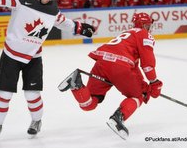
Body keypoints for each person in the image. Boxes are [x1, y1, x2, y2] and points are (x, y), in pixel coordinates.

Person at [0, 0, 95, 141]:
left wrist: (81, 28)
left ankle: (36, 121)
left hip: (34, 58)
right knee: (4, 94)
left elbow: (63, 22)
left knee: (32, 95)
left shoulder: (52, 9)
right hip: (11, 57)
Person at [58, 12, 163, 140]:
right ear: (144, 25)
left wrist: (143, 85)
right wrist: (154, 83)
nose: (149, 28)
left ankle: (76, 85)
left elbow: (133, 68)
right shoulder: (144, 34)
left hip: (102, 62)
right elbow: (147, 64)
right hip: (120, 65)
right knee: (138, 96)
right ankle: (118, 118)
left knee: (89, 104)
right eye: (148, 25)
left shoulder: (127, 33)